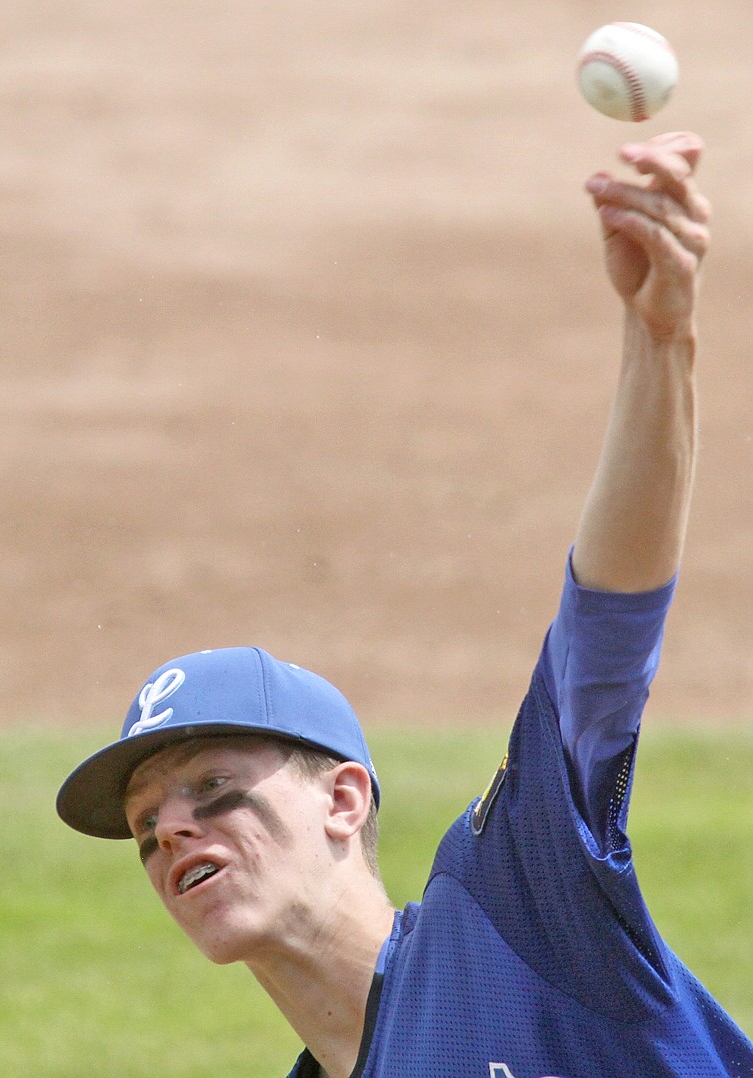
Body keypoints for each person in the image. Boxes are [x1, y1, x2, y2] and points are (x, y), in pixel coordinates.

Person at [57, 131, 753, 1077]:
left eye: (215, 790)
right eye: (146, 831)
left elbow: (606, 632)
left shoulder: (513, 915)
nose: (174, 829)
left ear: (344, 799)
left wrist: (660, 342)